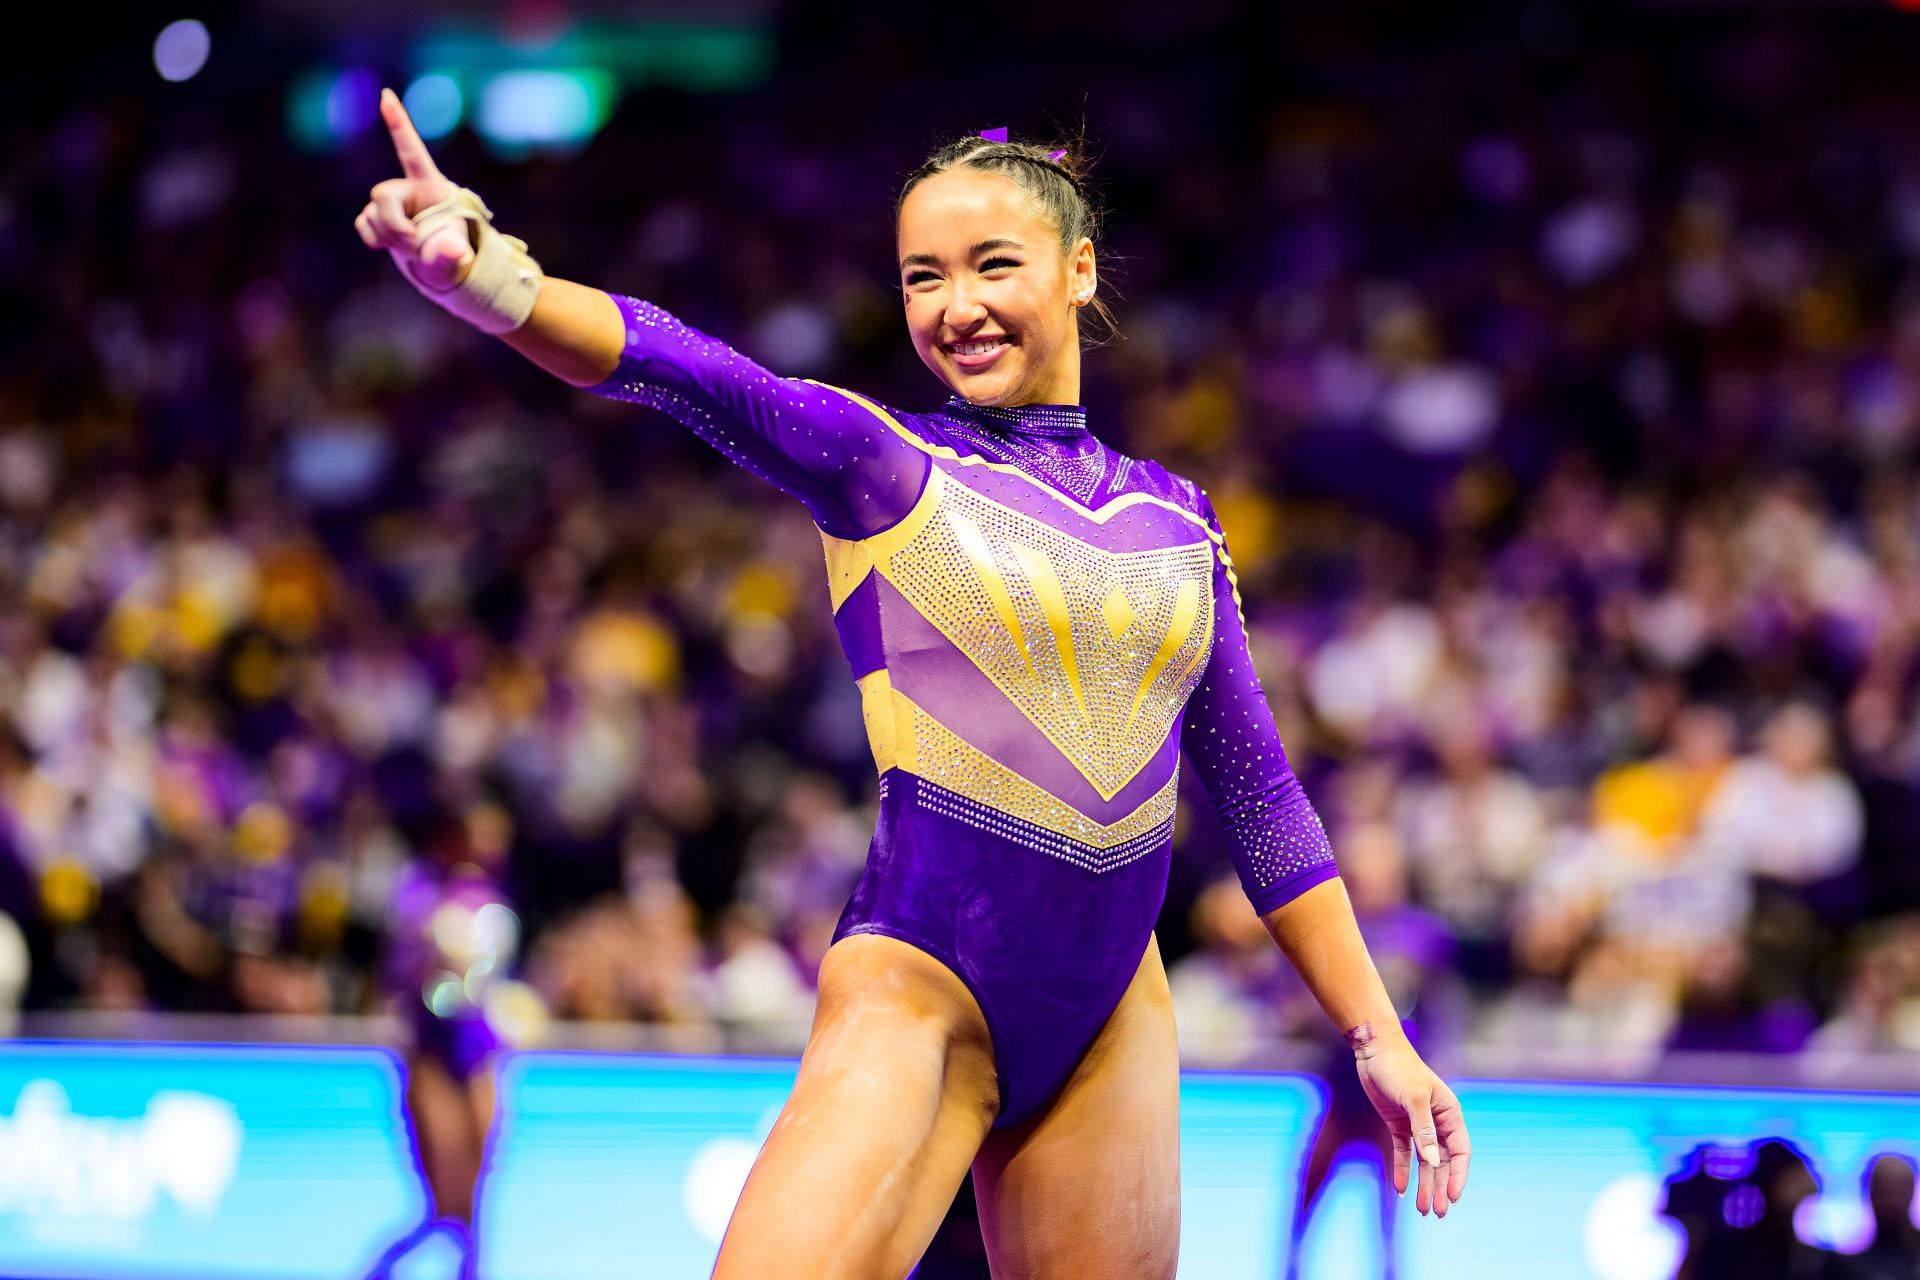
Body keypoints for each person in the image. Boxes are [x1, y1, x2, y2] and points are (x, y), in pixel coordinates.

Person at [353, 90, 1470, 1278]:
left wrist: (1378, 1035)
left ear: (1081, 269)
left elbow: (1262, 803)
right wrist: (487, 278)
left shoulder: (1180, 521)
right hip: (923, 981)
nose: (957, 306)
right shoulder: (883, 461)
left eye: (994, 265)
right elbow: (680, 367)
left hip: (1111, 1015)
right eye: (922, 276)